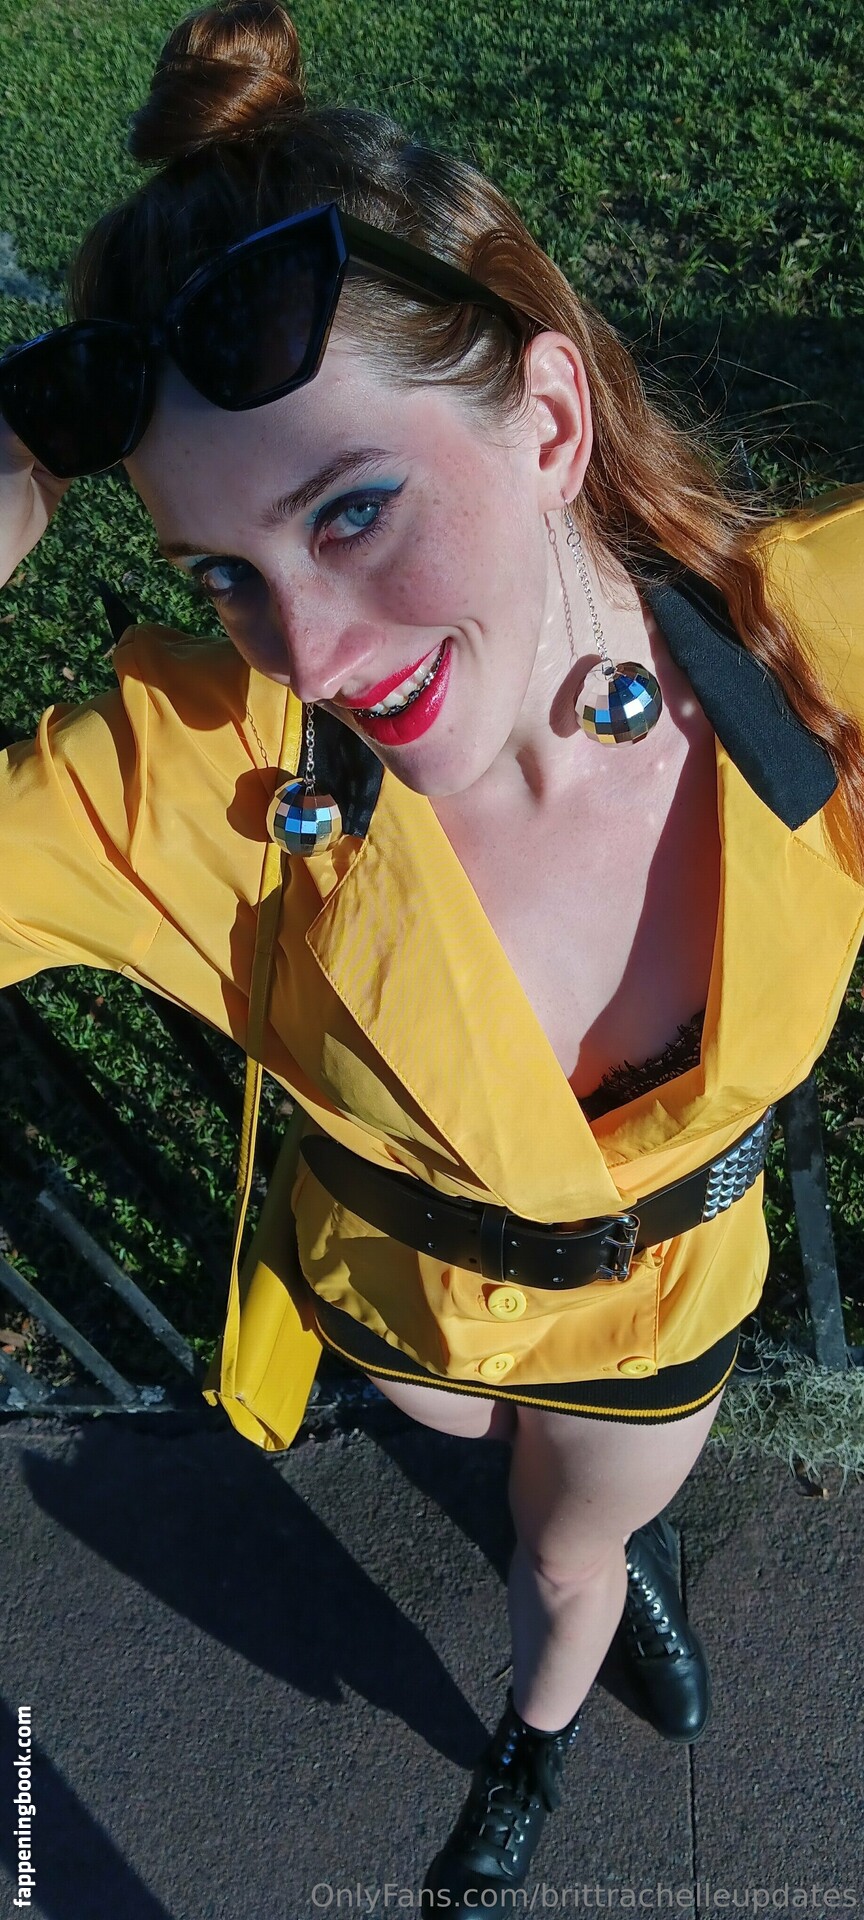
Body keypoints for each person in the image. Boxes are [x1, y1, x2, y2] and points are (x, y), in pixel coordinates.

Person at [2, 1, 864, 1907]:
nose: (309, 653)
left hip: (655, 1313)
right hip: (400, 1298)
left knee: (565, 1552)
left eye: (354, 509)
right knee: (474, 1441)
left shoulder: (811, 650)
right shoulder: (196, 782)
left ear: (548, 421)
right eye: (223, 575)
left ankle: (529, 1749)